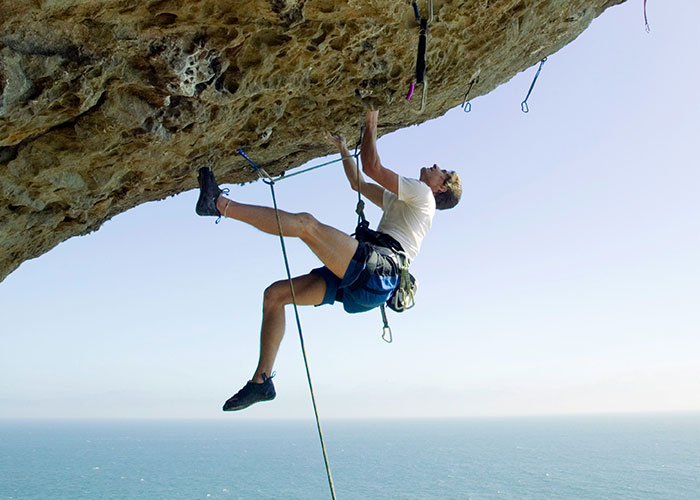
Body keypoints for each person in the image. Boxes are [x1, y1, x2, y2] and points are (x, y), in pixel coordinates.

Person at [195, 110, 462, 411]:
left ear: (440, 188)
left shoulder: (423, 195)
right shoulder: (407, 202)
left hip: (376, 271)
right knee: (275, 295)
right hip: (370, 285)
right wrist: (343, 147)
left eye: (443, 172)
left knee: (307, 225)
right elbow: (358, 183)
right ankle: (261, 382)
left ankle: (219, 204)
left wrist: (371, 118)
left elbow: (373, 167)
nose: (437, 167)